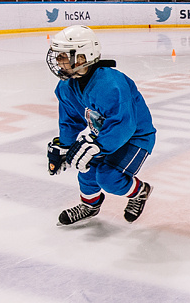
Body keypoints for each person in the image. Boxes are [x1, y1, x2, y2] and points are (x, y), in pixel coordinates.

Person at [45, 25, 156, 226]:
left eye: (63, 56)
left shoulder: (111, 84)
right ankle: (90, 205)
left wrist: (97, 146)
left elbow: (123, 125)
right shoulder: (66, 86)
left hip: (135, 138)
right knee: (86, 171)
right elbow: (70, 120)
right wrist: (64, 145)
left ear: (81, 57)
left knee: (108, 178)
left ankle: (140, 192)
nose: (58, 61)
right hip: (105, 136)